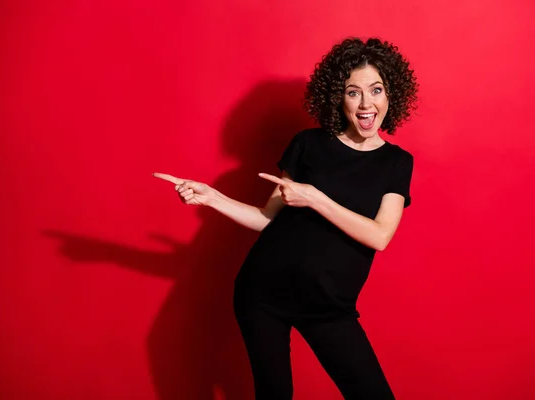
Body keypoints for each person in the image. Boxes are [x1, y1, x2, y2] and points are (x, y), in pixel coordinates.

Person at [153, 37, 419, 400]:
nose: (366, 103)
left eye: (376, 90)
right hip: (262, 293)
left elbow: (379, 236)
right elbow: (267, 219)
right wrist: (214, 198)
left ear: (391, 93)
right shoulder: (307, 144)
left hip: (328, 306)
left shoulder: (397, 162)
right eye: (353, 92)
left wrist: (315, 198)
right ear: (337, 98)